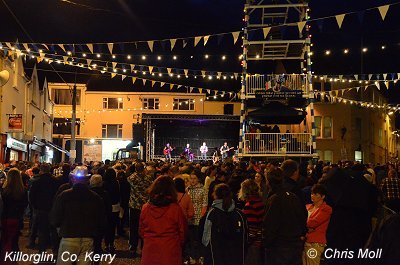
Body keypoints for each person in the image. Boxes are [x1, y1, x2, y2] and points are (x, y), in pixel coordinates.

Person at [51, 166, 106, 265]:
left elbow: (55, 217)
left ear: (73, 178)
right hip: (88, 238)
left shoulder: (64, 195)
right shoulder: (95, 198)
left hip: (69, 237)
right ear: (87, 180)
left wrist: (59, 229)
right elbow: (101, 221)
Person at [139, 176, 188, 265]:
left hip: (150, 249)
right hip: (170, 250)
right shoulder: (175, 209)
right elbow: (182, 231)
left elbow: (141, 230)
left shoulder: (146, 208)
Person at [263, 168, 307, 265]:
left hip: (280, 246)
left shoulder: (274, 199)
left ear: (268, 182)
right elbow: (303, 217)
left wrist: (266, 242)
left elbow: (270, 225)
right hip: (295, 244)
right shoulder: (293, 196)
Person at [201, 183, 247, 265]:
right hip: (235, 254)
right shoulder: (239, 214)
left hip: (217, 254)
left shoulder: (213, 213)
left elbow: (206, 237)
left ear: (216, 195)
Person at [29, 163, 59, 252]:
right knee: (53, 231)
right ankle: (55, 252)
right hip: (52, 209)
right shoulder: (55, 181)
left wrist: (35, 207)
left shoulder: (37, 181)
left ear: (41, 170)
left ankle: (41, 251)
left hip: (41, 209)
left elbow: (31, 197)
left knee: (42, 231)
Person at [0, 168, 28, 264]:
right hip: (17, 218)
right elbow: (25, 204)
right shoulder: (23, 190)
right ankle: (13, 260)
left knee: (5, 239)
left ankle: (5, 258)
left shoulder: (4, 190)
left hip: (5, 217)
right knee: (14, 240)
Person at [127, 162, 153, 256]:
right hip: (145, 205)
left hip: (134, 205)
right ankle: (143, 245)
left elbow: (128, 178)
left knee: (133, 227)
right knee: (144, 226)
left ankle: (133, 246)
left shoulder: (132, 177)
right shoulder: (148, 177)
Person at [303, 184, 332, 265]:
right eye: (312, 193)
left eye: (316, 194)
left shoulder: (326, 209)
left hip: (315, 243)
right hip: (305, 241)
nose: (312, 196)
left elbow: (313, 223)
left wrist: (305, 225)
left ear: (322, 196)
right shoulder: (307, 206)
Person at [239, 179, 265, 265]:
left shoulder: (250, 206)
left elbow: (252, 229)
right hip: (261, 241)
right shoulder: (260, 202)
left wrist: (246, 242)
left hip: (254, 244)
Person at [187, 173, 208, 263]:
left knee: (199, 239)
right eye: (191, 178)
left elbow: (205, 204)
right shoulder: (187, 189)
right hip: (189, 218)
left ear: (198, 179)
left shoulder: (203, 190)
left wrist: (202, 217)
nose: (192, 180)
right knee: (190, 239)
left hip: (199, 217)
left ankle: (200, 256)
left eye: (194, 178)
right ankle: (192, 256)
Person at [103, 167, 121, 253]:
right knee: (113, 226)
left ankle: (106, 244)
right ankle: (111, 243)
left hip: (106, 207)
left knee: (106, 226)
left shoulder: (104, 183)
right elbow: (118, 194)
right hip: (115, 206)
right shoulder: (116, 183)